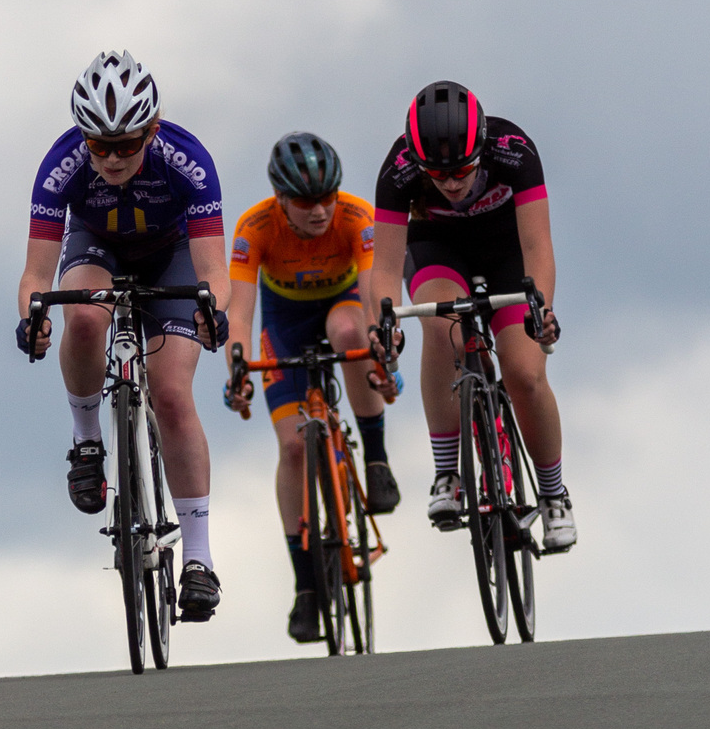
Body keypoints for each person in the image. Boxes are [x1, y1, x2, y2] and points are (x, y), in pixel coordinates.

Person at [16, 49, 229, 621]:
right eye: (99, 146)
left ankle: (200, 560)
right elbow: (37, 277)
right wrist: (32, 319)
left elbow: (214, 272)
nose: (111, 158)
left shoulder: (188, 160)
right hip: (98, 247)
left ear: (152, 131)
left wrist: (214, 312)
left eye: (127, 145)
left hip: (174, 255)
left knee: (172, 394)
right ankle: (87, 445)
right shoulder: (61, 163)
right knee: (83, 317)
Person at [369, 79, 576, 552]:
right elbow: (382, 267)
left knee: (524, 372)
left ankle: (553, 496)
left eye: (462, 169)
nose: (452, 182)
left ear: (481, 148)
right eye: (437, 175)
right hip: (437, 248)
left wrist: (541, 307)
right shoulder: (397, 170)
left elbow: (537, 247)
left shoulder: (514, 152)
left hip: (507, 249)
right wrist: (383, 324)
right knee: (442, 330)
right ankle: (447, 473)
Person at [224, 132, 401, 644]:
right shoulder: (254, 227)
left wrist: (380, 347)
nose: (320, 211)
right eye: (305, 202)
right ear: (280, 199)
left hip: (342, 305)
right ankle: (305, 587)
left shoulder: (355, 216)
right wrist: (237, 366)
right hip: (283, 323)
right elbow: (239, 310)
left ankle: (376, 457)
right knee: (293, 447)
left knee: (351, 334)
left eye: (328, 197)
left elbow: (372, 295)